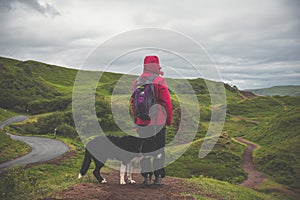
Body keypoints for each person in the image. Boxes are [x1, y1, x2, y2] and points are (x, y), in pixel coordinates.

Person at [131, 55, 173, 185]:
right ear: (156, 65)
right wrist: (169, 119)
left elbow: (133, 103)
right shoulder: (159, 81)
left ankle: (147, 177)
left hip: (142, 121)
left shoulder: (136, 81)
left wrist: (136, 120)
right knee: (158, 149)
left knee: (145, 149)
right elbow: (166, 102)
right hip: (158, 122)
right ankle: (158, 177)